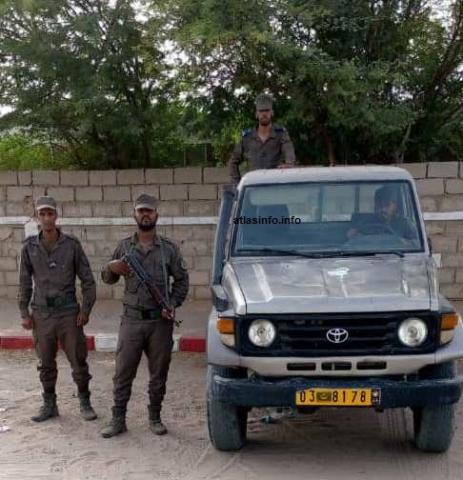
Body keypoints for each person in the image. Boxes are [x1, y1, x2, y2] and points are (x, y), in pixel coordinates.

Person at [100, 193, 189, 438]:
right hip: (132, 320)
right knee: (123, 372)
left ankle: (155, 417)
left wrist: (172, 303)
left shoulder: (168, 249)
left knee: (159, 373)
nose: (145, 215)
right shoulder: (124, 247)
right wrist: (111, 268)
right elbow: (107, 278)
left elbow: (182, 281)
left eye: (149, 211)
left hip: (159, 321)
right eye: (141, 211)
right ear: (135, 215)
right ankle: (118, 419)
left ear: (156, 215)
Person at [17, 196, 97, 422]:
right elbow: (24, 282)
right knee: (45, 362)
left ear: (56, 216)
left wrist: (86, 310)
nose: (46, 218)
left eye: (50, 213)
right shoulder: (30, 247)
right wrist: (24, 312)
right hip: (42, 313)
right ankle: (49, 404)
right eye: (42, 214)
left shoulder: (71, 245)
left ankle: (85, 401)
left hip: (68, 313)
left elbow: (88, 280)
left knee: (78, 360)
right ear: (37, 217)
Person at [229, 93, 297, 184]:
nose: (264, 114)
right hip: (254, 185)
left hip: (274, 184)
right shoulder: (247, 137)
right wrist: (237, 183)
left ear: (272, 113)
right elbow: (233, 161)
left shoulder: (281, 134)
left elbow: (289, 152)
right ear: (256, 114)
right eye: (261, 111)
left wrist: (289, 164)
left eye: (267, 110)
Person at [348, 185, 417, 240]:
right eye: (380, 205)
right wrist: (357, 236)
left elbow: (415, 243)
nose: (383, 209)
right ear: (375, 205)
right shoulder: (365, 222)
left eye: (387, 205)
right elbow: (350, 238)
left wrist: (402, 242)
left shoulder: (405, 224)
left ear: (394, 206)